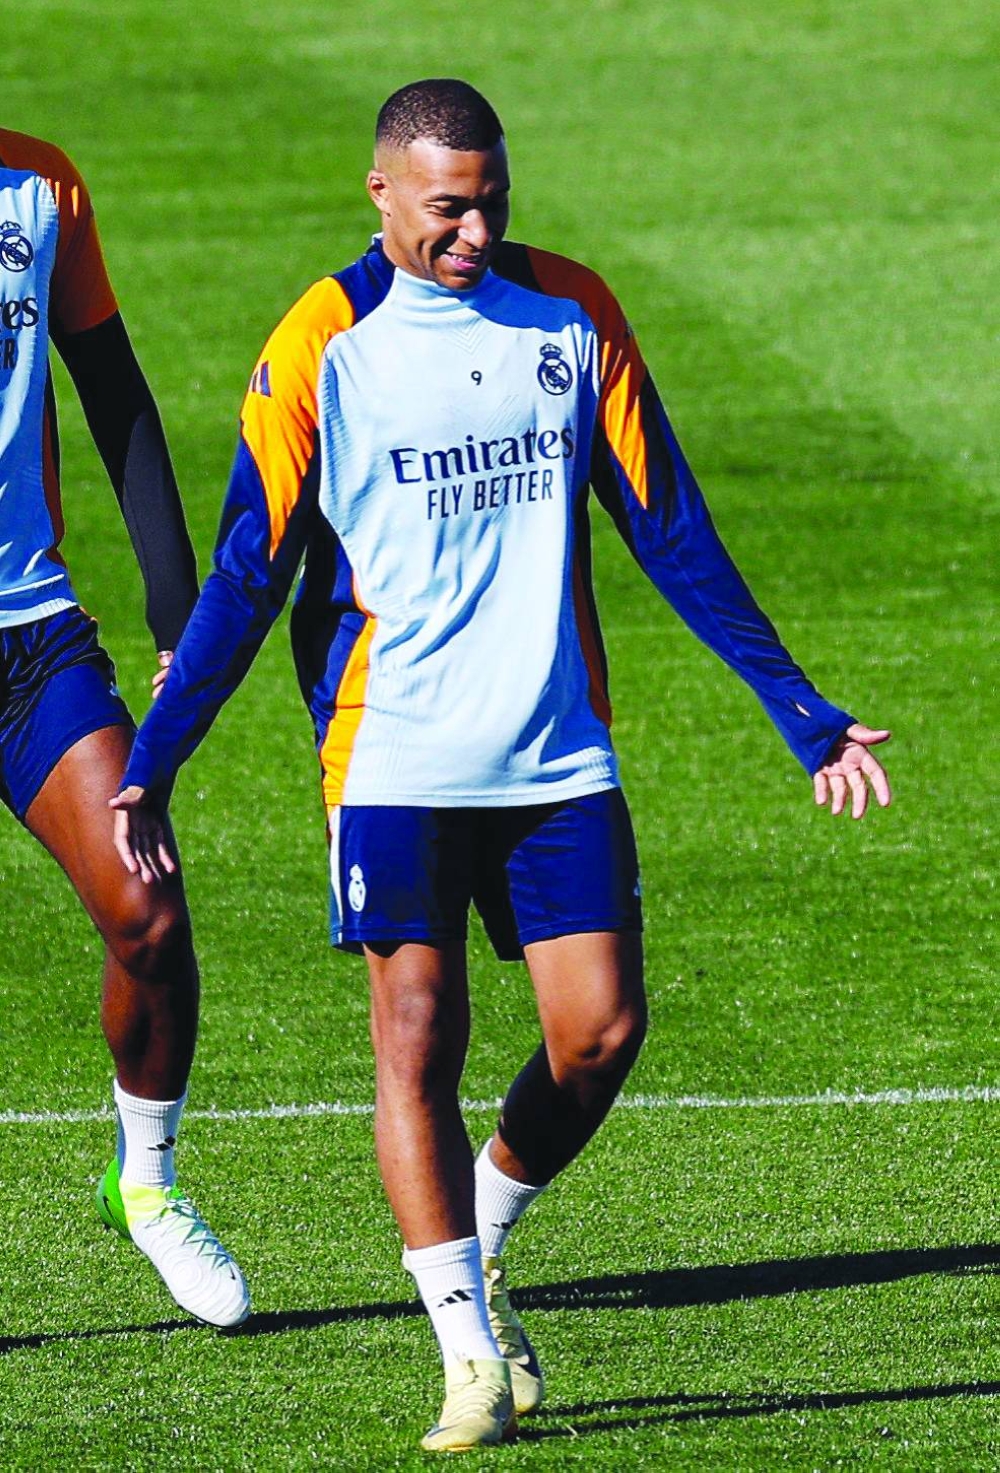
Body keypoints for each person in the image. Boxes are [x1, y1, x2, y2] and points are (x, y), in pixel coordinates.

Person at [111, 80, 891, 1448]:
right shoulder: (323, 344)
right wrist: (158, 760)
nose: (475, 229)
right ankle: (467, 1349)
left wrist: (801, 711)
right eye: (448, 205)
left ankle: (479, 1235)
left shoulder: (572, 316)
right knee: (419, 1034)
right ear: (384, 194)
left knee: (598, 1033)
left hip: (554, 753)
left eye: (494, 199)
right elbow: (250, 568)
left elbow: (672, 529)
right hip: (392, 754)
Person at [0, 128, 248, 1328]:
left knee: (148, 913)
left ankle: (143, 1183)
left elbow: (109, 382)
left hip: (28, 637)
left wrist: (175, 603)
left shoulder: (41, 185)